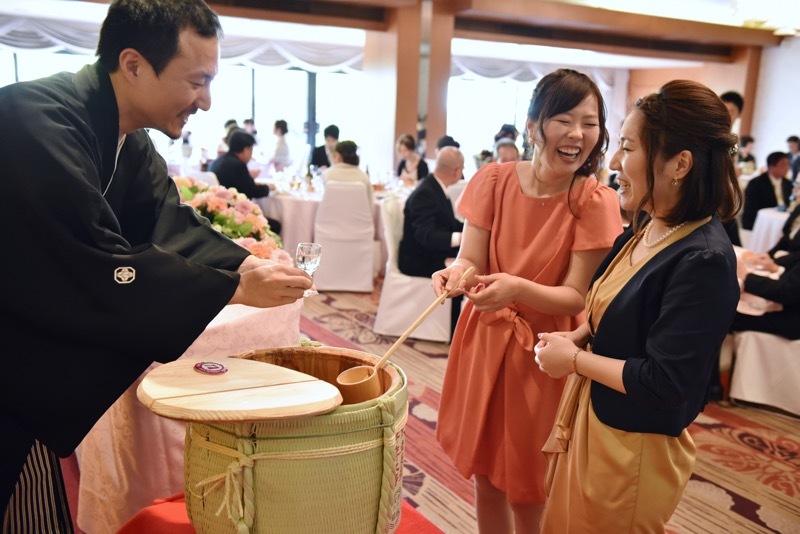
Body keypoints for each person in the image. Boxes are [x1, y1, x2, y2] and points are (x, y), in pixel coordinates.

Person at [0, 0, 313, 529]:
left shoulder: (130, 138)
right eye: (197, 81)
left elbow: (167, 222)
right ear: (133, 64)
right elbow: (92, 264)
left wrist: (245, 266)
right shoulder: (34, 120)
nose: (207, 103)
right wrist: (231, 291)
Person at [535, 79, 741, 532]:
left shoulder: (702, 259)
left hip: (633, 447)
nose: (612, 162)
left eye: (626, 148)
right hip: (597, 420)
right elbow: (615, 307)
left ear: (679, 164)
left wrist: (574, 359)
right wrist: (579, 335)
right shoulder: (647, 226)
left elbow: (666, 381)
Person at [433, 68, 622, 533]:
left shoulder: (593, 200)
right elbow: (470, 259)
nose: (578, 134)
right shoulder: (493, 180)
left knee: (530, 480)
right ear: (534, 125)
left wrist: (516, 288)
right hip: (485, 338)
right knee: (485, 469)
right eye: (565, 119)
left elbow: (575, 297)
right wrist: (455, 275)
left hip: (545, 353)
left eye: (590, 122)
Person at [731, 200, 800, 340]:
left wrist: (747, 276)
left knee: (720, 313)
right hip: (789, 305)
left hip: (791, 319)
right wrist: (772, 264)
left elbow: (787, 292)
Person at [210, 129, 281, 235]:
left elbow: (240, 184)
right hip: (235, 217)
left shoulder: (216, 162)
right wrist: (268, 187)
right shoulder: (238, 165)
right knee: (275, 225)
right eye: (251, 150)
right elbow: (252, 191)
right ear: (246, 149)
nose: (251, 155)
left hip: (219, 214)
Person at [741, 151, 792, 230]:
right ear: (772, 166)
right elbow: (751, 209)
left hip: (782, 220)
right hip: (762, 222)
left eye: (788, 164)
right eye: (783, 164)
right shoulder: (756, 183)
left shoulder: (787, 183)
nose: (787, 167)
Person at [322, 140, 373, 205]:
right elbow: (370, 208)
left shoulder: (327, 175)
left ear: (337, 155)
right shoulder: (364, 178)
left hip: (331, 214)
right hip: (359, 215)